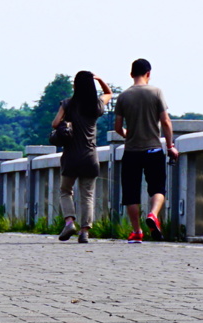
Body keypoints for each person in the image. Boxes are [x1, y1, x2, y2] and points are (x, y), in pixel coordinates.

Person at [114, 58, 179, 243]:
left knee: (131, 192)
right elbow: (165, 121)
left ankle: (137, 232)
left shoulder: (123, 96)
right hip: (154, 150)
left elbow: (118, 127)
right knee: (158, 188)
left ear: (131, 74)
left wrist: (129, 134)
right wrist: (170, 146)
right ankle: (153, 214)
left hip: (132, 151)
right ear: (148, 74)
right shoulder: (156, 92)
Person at [53, 72, 112, 244]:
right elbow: (109, 94)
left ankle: (69, 221)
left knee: (65, 191)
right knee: (87, 195)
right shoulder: (96, 105)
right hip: (90, 156)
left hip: (71, 156)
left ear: (75, 86)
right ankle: (84, 232)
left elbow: (55, 124)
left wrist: (67, 121)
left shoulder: (68, 104)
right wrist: (100, 79)